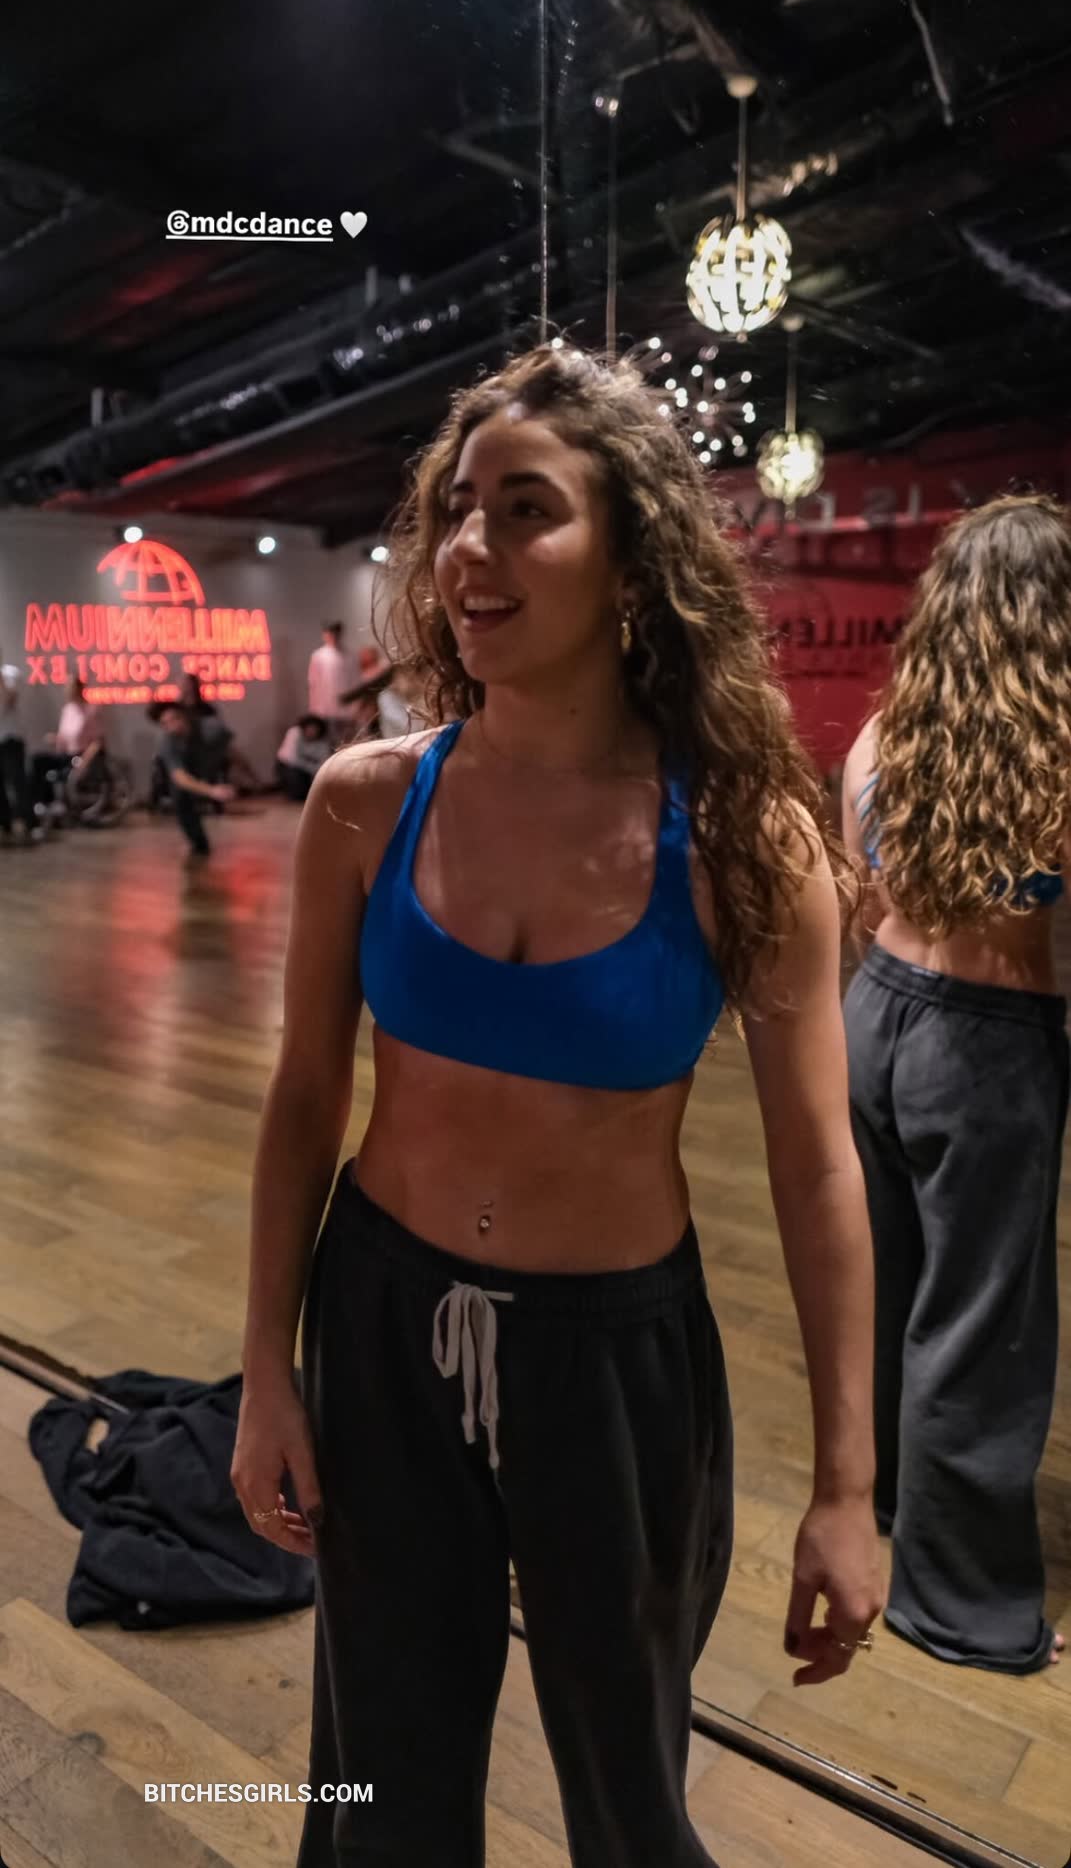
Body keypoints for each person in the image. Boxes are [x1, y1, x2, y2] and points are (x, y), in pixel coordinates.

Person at [232, 344, 883, 1868]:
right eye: (457, 509)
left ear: (631, 563)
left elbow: (816, 1173)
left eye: (527, 509)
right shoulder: (364, 801)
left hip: (610, 1363)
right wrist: (266, 1364)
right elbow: (306, 1093)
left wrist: (846, 1488)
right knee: (379, 1781)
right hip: (380, 1326)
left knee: (626, 1790)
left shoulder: (740, 841)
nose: (470, 548)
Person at [841, 493, 1071, 1676]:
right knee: (980, 1323)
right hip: (987, 1041)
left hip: (875, 1013)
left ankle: (892, 1502)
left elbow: (859, 890)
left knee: (891, 1289)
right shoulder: (1054, 761)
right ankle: (961, 1602)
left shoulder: (882, 739)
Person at [157, 703, 234, 857]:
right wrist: (211, 791)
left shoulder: (211, 728)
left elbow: (230, 750)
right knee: (180, 796)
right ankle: (199, 844)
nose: (170, 726)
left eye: (173, 719)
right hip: (190, 770)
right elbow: (180, 777)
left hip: (210, 764)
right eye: (164, 724)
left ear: (183, 717)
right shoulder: (168, 743)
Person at [30, 676, 104, 812]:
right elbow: (65, 736)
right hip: (65, 754)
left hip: (81, 755)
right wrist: (56, 738)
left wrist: (85, 761)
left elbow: (97, 742)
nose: (67, 690)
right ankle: (46, 803)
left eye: (70, 687)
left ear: (78, 689)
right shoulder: (68, 710)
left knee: (67, 771)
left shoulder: (90, 711)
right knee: (38, 760)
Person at [0, 656, 39, 842]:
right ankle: (4, 824)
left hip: (11, 739)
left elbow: (6, 702)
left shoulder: (11, 674)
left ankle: (31, 824)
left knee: (18, 782)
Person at [307, 621, 360, 746]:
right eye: (330, 634)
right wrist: (315, 708)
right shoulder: (318, 656)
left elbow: (355, 682)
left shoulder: (350, 656)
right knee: (327, 743)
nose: (333, 637)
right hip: (325, 709)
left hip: (347, 709)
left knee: (346, 742)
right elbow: (313, 683)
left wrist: (356, 708)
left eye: (335, 634)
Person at [276, 714, 332, 801]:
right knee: (298, 790)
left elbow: (324, 760)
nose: (312, 731)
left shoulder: (322, 741)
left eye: (315, 729)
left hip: (307, 768)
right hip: (287, 765)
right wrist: (313, 768)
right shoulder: (295, 732)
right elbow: (291, 758)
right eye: (310, 728)